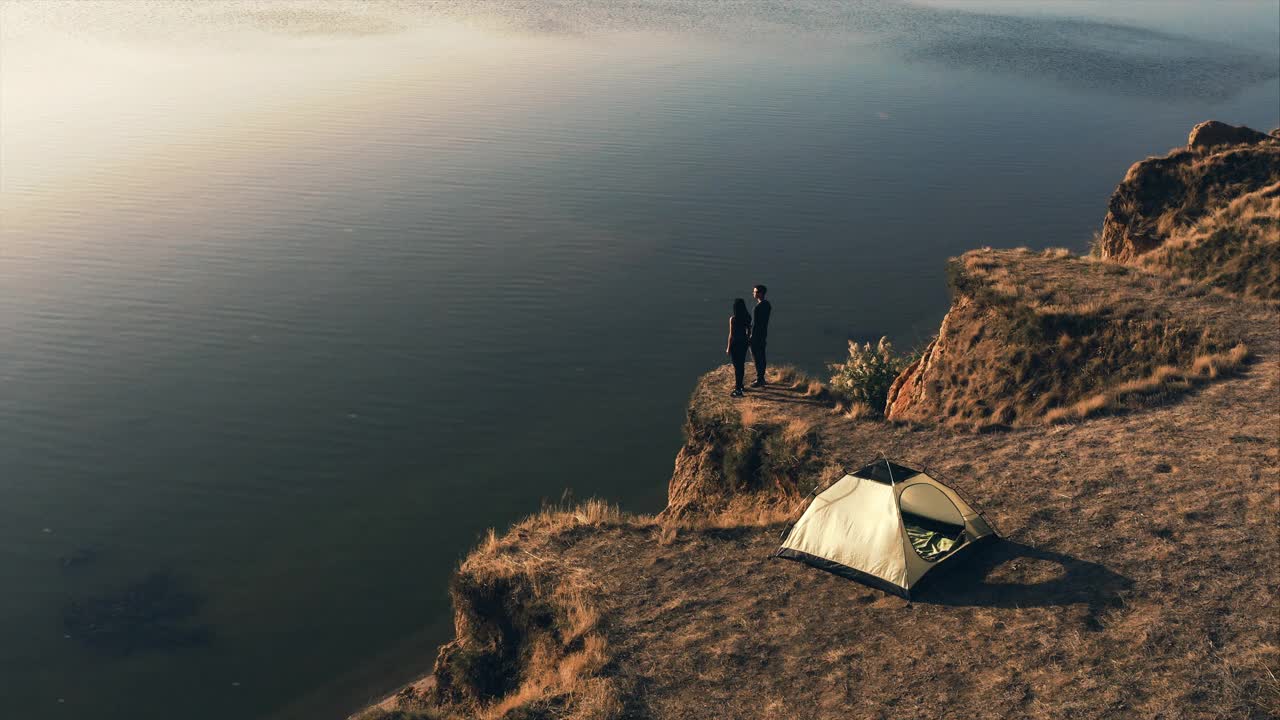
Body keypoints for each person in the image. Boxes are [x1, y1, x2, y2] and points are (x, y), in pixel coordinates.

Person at [725, 298, 752, 397]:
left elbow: (731, 335)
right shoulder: (747, 317)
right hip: (744, 343)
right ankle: (741, 385)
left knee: (737, 367)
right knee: (741, 364)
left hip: (736, 343)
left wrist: (728, 347)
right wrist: (748, 340)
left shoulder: (733, 319)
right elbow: (749, 331)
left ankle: (738, 389)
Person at [750, 284, 772, 387]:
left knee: (756, 357)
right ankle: (761, 377)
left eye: (755, 292)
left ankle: (759, 379)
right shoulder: (767, 305)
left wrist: (750, 336)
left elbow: (754, 324)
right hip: (764, 334)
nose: (753, 293)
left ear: (760, 293)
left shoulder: (757, 308)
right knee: (762, 356)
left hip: (756, 336)